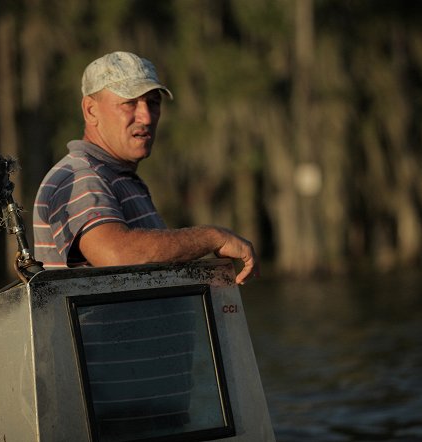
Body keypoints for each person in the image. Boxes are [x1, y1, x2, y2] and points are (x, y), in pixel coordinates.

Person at [32, 51, 258, 284]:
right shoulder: (82, 176)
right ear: (91, 110)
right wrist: (213, 237)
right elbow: (117, 255)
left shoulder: (117, 176)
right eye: (129, 103)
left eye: (153, 103)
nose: (147, 117)